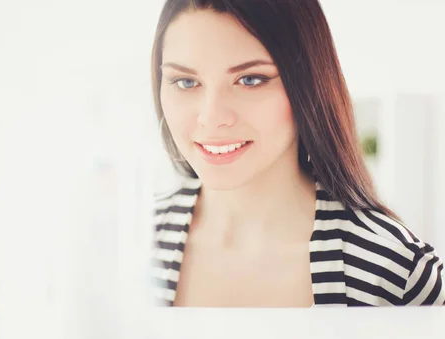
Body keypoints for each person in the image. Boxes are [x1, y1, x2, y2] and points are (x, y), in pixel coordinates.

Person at [150, 0, 444, 307]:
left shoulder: (396, 272)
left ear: (308, 85)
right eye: (185, 82)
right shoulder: (124, 250)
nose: (211, 117)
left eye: (250, 80)